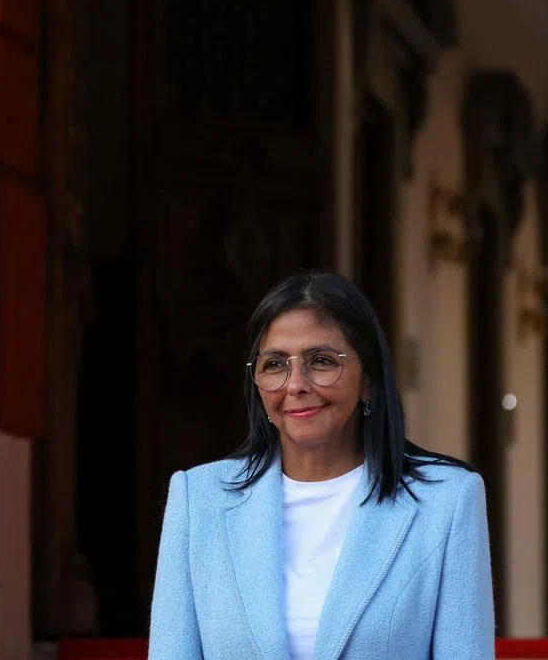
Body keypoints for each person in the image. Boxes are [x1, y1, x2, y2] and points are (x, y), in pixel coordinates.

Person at [148, 271, 496, 659]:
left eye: (321, 361)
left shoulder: (447, 502)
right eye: (275, 364)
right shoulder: (198, 500)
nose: (295, 384)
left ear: (368, 379)